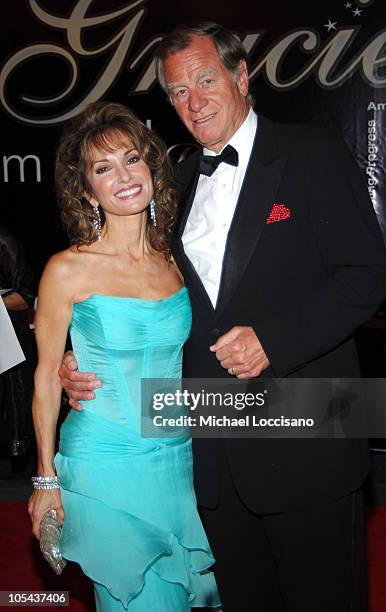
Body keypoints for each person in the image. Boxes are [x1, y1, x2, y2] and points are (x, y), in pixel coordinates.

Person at [59, 23, 386, 612]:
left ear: (241, 77)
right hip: (209, 449)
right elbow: (141, 295)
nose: (194, 100)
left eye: (206, 80)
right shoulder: (175, 184)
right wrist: (85, 355)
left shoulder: (309, 153)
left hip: (307, 427)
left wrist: (275, 339)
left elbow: (369, 273)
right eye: (178, 92)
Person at [28, 101, 221, 612]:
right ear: (86, 189)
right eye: (102, 168)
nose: (124, 176)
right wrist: (45, 479)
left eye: (131, 159)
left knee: (195, 595)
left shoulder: (178, 261)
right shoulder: (68, 269)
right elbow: (48, 376)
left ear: (151, 167)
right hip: (104, 458)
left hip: (176, 457)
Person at [0, 226, 36, 465]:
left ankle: (19, 452)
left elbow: (25, 298)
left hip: (10, 334)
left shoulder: (4, 242)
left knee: (17, 394)